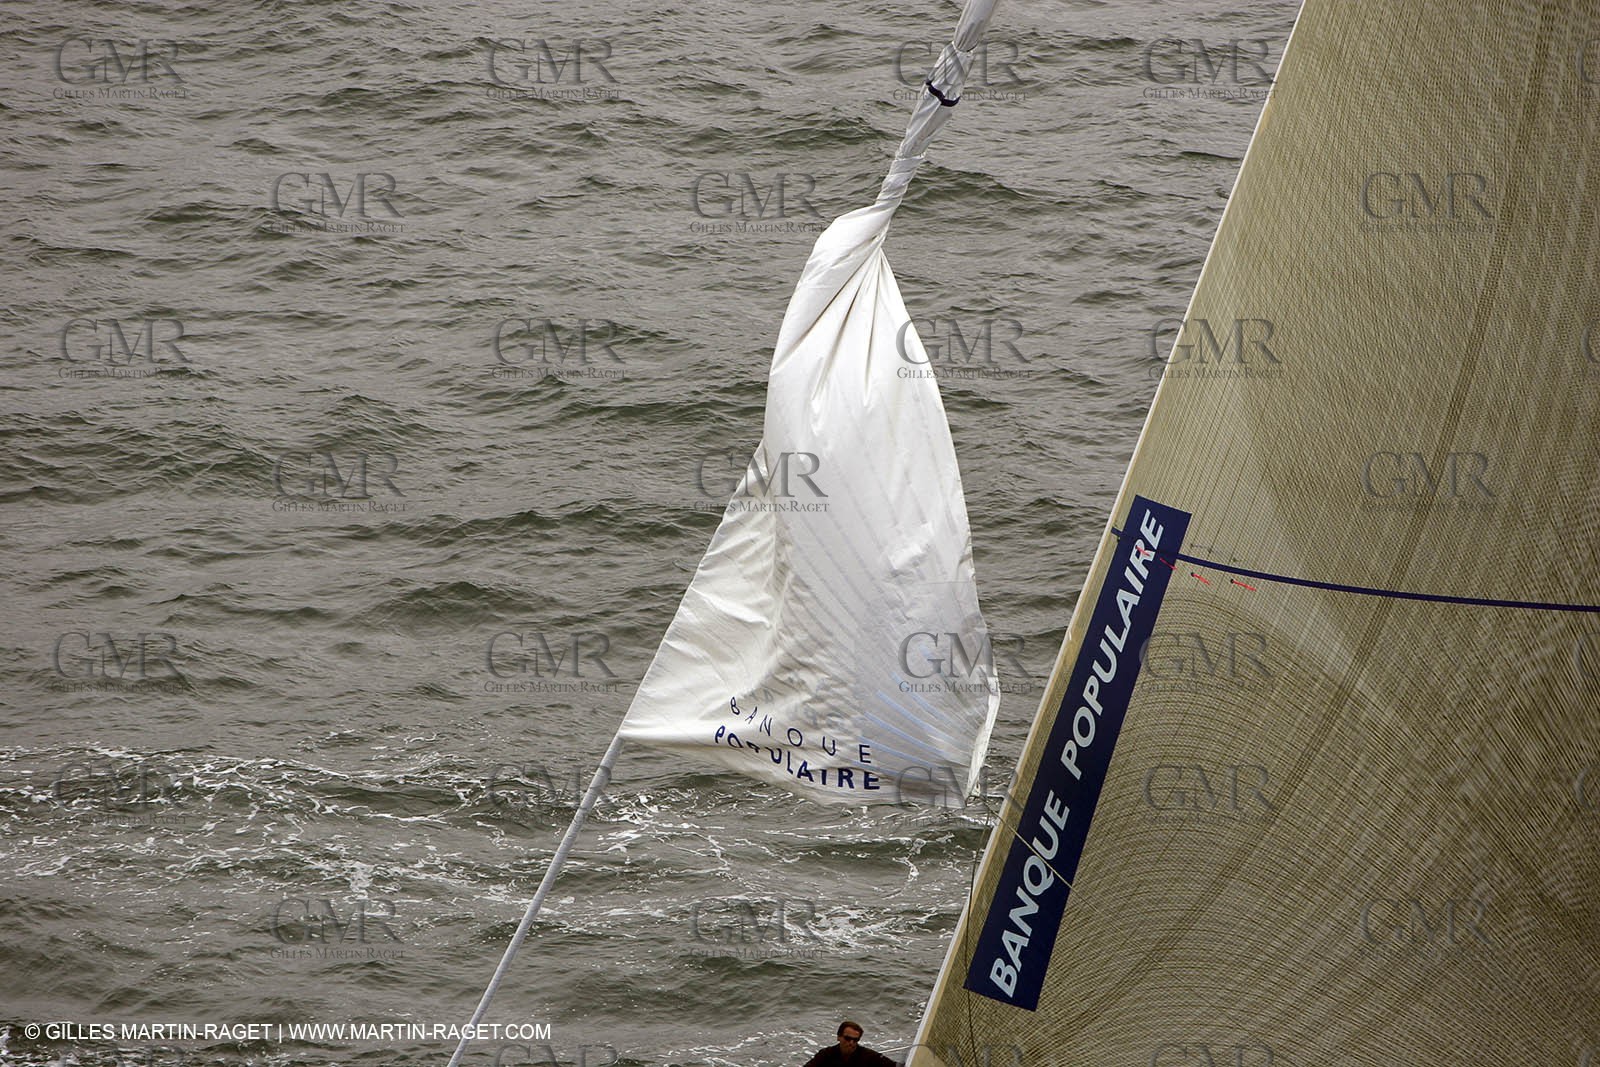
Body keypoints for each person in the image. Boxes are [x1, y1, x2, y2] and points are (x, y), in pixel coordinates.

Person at [802, 1021, 898, 1067]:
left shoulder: (869, 1056)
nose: (851, 1043)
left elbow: (894, 1066)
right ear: (839, 1037)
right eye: (847, 1038)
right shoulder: (825, 1054)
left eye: (855, 1040)